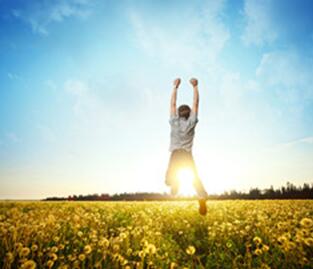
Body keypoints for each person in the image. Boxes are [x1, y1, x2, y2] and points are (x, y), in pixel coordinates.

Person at [165, 77, 209, 215]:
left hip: (175, 154)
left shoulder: (174, 122)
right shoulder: (191, 122)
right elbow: (196, 103)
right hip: (187, 155)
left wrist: (175, 87)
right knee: (194, 178)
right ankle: (201, 197)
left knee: (169, 179)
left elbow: (172, 104)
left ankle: (174, 184)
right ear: (189, 114)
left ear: (178, 113)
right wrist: (195, 87)